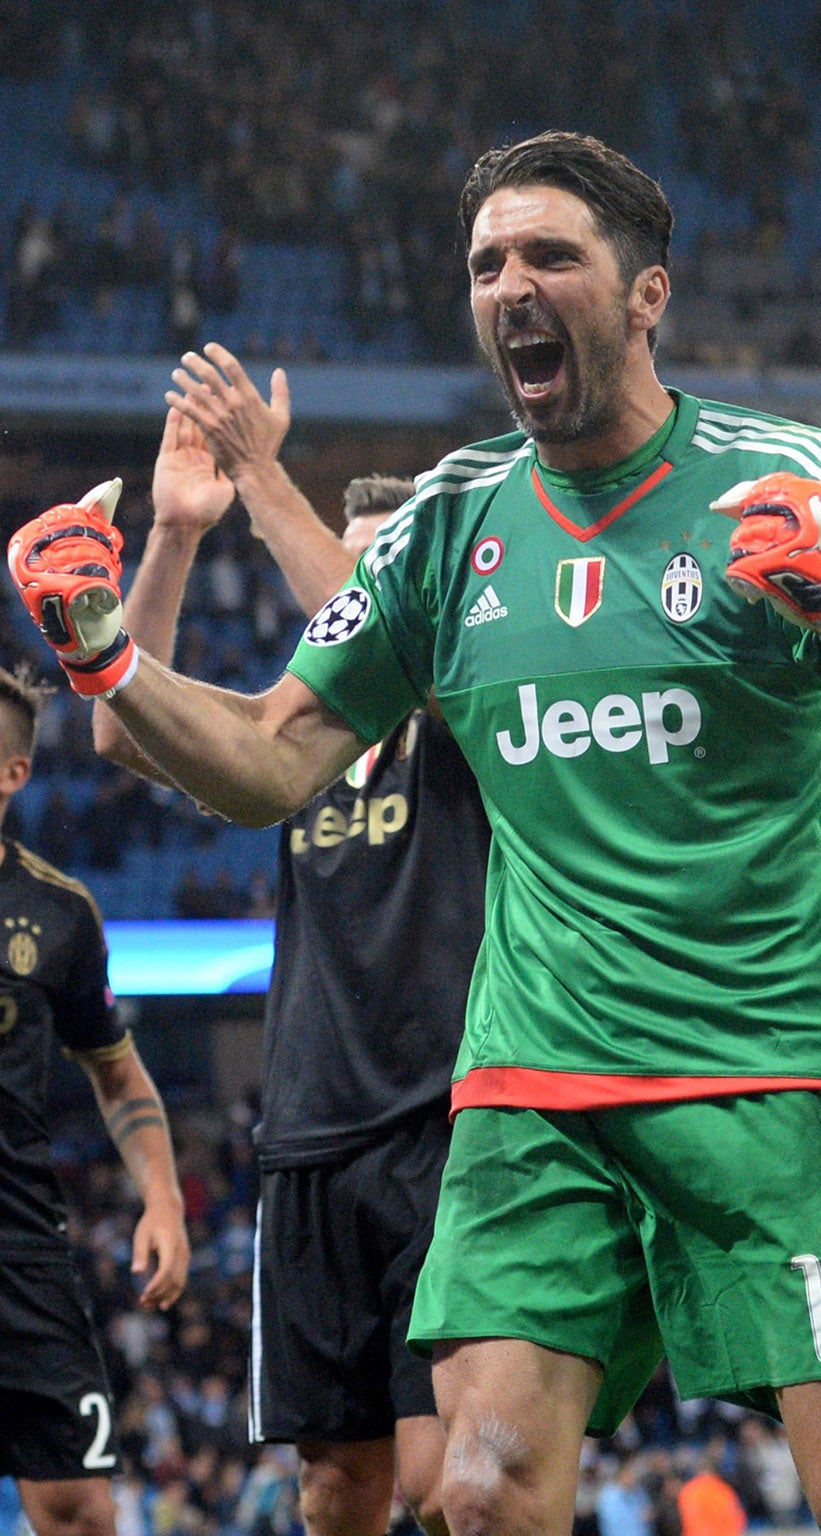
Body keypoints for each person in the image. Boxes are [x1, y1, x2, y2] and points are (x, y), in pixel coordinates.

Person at [7, 129, 821, 1536]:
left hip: (772, 1062)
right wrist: (105, 659)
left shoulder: (786, 470)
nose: (511, 285)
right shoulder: (448, 524)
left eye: (550, 257)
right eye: (486, 264)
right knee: (478, 1487)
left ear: (646, 294)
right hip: (539, 1083)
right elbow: (272, 761)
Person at [93, 375, 493, 1536]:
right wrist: (171, 533)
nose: (359, 601)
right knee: (336, 1489)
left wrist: (269, 486)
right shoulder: (295, 747)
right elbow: (124, 729)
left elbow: (396, 639)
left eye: (383, 575)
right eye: (348, 570)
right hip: (310, 1133)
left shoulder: (475, 724)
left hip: (452, 1127)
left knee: (444, 1483)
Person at [0, 661, 191, 1536]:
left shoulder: (58, 913)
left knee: (78, 1509)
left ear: (13, 774)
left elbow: (116, 1070)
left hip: (21, 1253)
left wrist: (162, 1199)